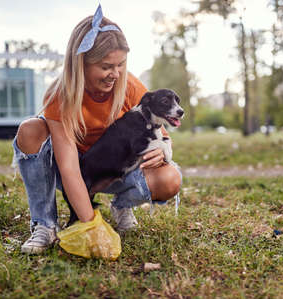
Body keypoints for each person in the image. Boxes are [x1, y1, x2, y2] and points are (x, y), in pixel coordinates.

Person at [12, 5, 182, 254]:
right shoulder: (60, 95)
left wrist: (162, 151)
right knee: (29, 129)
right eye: (106, 66)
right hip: (77, 172)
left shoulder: (130, 87)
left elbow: (162, 134)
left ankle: (121, 205)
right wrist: (90, 223)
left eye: (120, 64)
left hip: (116, 168)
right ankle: (45, 225)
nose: (115, 73)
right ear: (81, 63)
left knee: (169, 178)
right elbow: (69, 168)